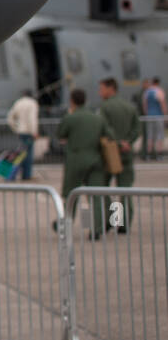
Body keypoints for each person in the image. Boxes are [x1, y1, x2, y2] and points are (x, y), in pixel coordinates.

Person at [56, 88, 115, 239]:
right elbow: (109, 135)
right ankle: (96, 229)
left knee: (70, 196)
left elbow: (60, 134)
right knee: (95, 196)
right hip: (95, 160)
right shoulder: (97, 118)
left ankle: (65, 227)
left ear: (72, 101)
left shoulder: (70, 117)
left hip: (75, 161)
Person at [98, 77, 138, 233]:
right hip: (127, 155)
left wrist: (118, 142)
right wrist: (128, 142)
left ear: (110, 88)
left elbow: (105, 127)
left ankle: (112, 217)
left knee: (102, 188)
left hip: (110, 154)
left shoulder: (105, 107)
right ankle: (124, 223)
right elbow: (137, 128)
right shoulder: (130, 107)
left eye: (102, 89)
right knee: (125, 190)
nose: (100, 92)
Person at [6, 89, 40, 181]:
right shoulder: (32, 103)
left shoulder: (18, 102)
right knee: (27, 154)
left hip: (21, 132)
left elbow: (10, 118)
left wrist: (16, 128)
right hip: (29, 133)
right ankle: (26, 175)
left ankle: (13, 174)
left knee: (21, 153)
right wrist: (34, 132)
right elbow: (32, 119)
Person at [145, 77, 165, 160]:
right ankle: (159, 155)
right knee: (159, 135)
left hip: (149, 116)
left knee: (150, 136)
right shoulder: (159, 91)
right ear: (158, 83)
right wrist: (165, 114)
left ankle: (149, 155)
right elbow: (162, 103)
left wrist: (147, 114)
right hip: (158, 116)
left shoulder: (147, 92)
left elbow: (145, 105)